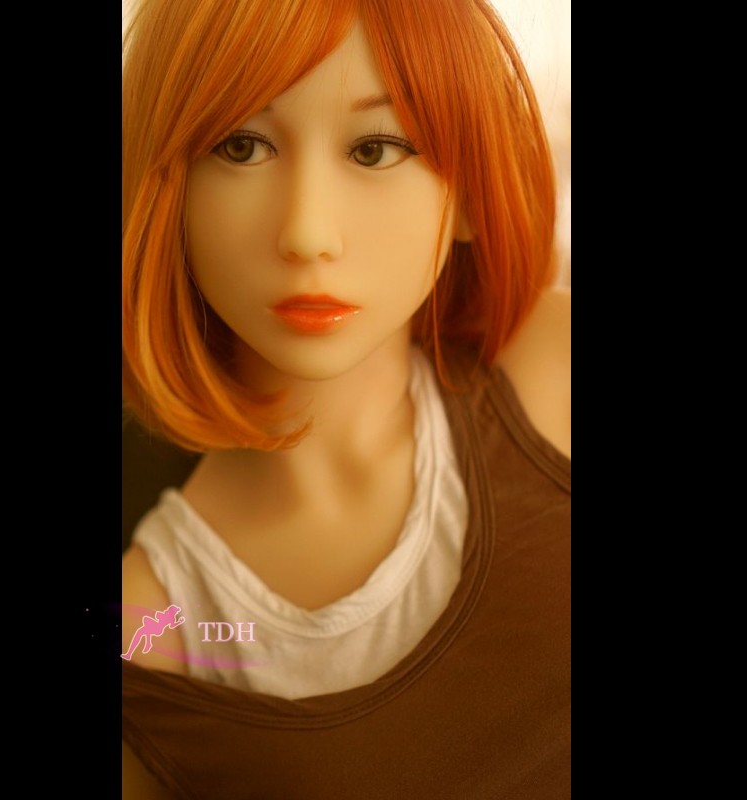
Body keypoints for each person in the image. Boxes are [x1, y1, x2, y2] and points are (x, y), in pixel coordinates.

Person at [121, 0, 570, 797]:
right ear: (167, 191)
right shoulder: (151, 636)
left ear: (468, 193)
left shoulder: (553, 371)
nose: (307, 233)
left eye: (375, 148)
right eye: (241, 145)